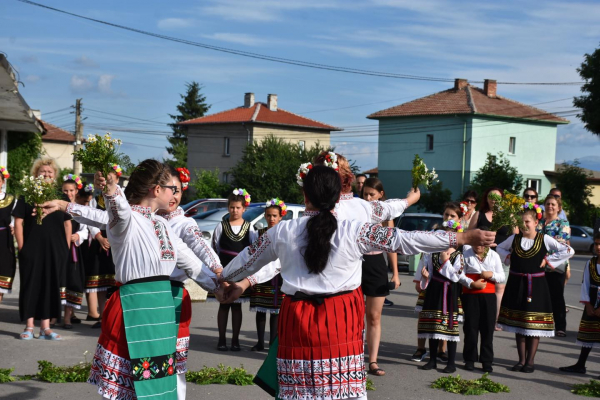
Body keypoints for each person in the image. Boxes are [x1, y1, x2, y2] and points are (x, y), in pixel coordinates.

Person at [219, 165, 496, 400]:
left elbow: (244, 261)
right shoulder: (355, 229)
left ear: (304, 194)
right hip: (341, 316)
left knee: (299, 391)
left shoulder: (282, 230)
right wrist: (461, 238)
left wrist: (221, 280)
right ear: (338, 196)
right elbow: (406, 239)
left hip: (297, 318)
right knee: (342, 391)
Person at [40, 159, 223, 400]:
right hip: (134, 309)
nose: (175, 194)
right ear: (156, 190)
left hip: (161, 314)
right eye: (172, 188)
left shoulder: (162, 224)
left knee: (160, 387)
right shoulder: (124, 221)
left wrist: (219, 286)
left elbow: (189, 261)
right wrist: (110, 189)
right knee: (130, 391)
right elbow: (115, 210)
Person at [496, 205, 574, 373]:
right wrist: (508, 257)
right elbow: (499, 248)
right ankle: (521, 360)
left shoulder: (544, 239)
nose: (524, 225)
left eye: (527, 222)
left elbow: (568, 250)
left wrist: (549, 260)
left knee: (533, 324)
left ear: (536, 222)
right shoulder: (514, 239)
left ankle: (530, 361)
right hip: (517, 284)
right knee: (519, 323)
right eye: (521, 222)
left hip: (536, 286)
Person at [13, 158, 69, 340]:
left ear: (55, 175)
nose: (46, 175)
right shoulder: (27, 195)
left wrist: (65, 247)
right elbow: (18, 222)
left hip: (55, 250)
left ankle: (46, 328)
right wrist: (22, 247)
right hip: (32, 249)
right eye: (42, 172)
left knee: (50, 286)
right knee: (30, 284)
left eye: (49, 172)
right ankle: (29, 326)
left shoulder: (61, 198)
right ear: (36, 174)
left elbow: (68, 224)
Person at [411, 202, 464, 363]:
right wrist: (421, 278)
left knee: (445, 316)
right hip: (431, 281)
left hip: (448, 284)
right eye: (446, 215)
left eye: (453, 216)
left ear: (459, 219)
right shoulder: (435, 235)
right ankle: (421, 348)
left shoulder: (461, 239)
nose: (448, 218)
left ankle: (442, 350)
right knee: (424, 316)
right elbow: (426, 256)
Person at [361, 177, 400, 376]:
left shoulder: (386, 216)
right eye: (365, 194)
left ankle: (373, 361)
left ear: (381, 195)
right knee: (355, 316)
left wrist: (395, 272)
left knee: (374, 316)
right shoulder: (357, 210)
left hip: (376, 265)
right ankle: (354, 357)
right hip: (356, 263)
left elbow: (392, 245)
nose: (368, 198)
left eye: (372, 195)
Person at [211, 188, 257, 351]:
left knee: (237, 306)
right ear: (228, 207)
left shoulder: (249, 228)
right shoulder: (221, 226)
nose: (234, 210)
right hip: (223, 271)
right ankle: (222, 339)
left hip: (240, 273)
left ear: (244, 208)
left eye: (238, 207)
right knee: (223, 305)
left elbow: (254, 250)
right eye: (232, 207)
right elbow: (215, 248)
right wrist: (218, 272)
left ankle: (235, 340)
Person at [468, 187, 513, 331]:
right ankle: (480, 316)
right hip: (482, 256)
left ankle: (495, 320)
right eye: (491, 196)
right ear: (486, 198)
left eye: (497, 197)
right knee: (484, 287)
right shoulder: (479, 215)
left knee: (499, 288)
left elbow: (515, 236)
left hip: (502, 257)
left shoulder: (509, 216)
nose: (494, 199)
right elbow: (469, 234)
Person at [459, 242, 505, 373]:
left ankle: (486, 361)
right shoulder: (465, 254)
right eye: (476, 242)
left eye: (481, 244)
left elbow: (502, 276)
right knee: (471, 327)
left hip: (488, 296)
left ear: (487, 245)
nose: (478, 246)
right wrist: (472, 283)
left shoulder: (494, 256)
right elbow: (459, 275)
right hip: (471, 295)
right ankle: (469, 359)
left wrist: (491, 275)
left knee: (487, 328)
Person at [248, 198, 286, 352]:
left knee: (275, 312)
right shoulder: (259, 233)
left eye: (274, 216)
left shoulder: (284, 233)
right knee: (260, 309)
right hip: (261, 275)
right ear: (265, 216)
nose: (271, 219)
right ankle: (259, 342)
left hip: (278, 276)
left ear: (281, 217)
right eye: (269, 216)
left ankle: (272, 343)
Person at [559, 233, 600, 375]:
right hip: (592, 304)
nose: (598, 247)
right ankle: (580, 364)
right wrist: (588, 304)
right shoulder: (591, 263)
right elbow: (585, 285)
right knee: (588, 335)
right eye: (596, 244)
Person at [537, 194, 571, 337]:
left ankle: (560, 326)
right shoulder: (539, 223)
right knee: (541, 295)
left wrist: (548, 256)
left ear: (558, 207)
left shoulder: (562, 224)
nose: (550, 206)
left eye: (553, 204)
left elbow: (560, 244)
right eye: (548, 204)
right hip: (539, 265)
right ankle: (543, 324)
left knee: (557, 296)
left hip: (555, 265)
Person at [61, 174, 88, 328]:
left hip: (74, 251)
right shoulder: (58, 206)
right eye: (65, 190)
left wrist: (77, 235)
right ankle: (52, 315)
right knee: (59, 280)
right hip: (60, 248)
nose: (68, 193)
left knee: (71, 280)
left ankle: (67, 316)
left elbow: (86, 229)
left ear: (76, 191)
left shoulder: (80, 209)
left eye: (71, 190)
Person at [0, 166, 16, 301]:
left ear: (2, 182)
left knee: (3, 270)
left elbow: (16, 217)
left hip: (4, 239)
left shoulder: (10, 199)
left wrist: (14, 226)